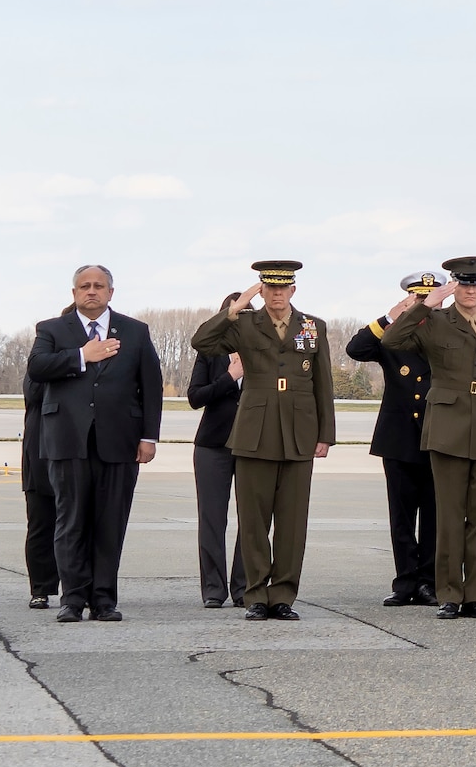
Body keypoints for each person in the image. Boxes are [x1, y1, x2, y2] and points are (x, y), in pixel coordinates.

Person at [192, 263, 336, 621]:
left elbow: (323, 383)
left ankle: (283, 594)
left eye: (282, 288)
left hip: (299, 433)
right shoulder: (244, 325)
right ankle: (255, 595)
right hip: (254, 432)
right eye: (269, 288)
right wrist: (235, 308)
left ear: (293, 290)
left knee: (292, 521)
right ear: (261, 290)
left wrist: (325, 434)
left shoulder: (312, 327)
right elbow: (202, 341)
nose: (276, 294)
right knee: (254, 519)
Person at [383, 257, 476, 619]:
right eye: (463, 285)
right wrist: (424, 304)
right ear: (454, 287)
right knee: (448, 516)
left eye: (475, 285)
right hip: (447, 426)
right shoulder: (433, 321)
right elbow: (391, 338)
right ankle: (449, 593)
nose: (469, 291)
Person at [27, 265, 162, 623]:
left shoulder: (135, 331)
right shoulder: (52, 330)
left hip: (119, 442)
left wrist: (149, 437)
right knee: (70, 521)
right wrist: (84, 356)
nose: (91, 291)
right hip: (67, 440)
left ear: (110, 293)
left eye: (98, 286)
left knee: (109, 523)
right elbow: (38, 368)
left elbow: (151, 386)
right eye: (84, 286)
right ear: (74, 294)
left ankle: (104, 599)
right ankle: (72, 599)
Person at [345, 272, 445, 608]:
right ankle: (405, 582)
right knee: (401, 516)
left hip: (438, 436)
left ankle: (429, 582)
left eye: (429, 297)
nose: (424, 304)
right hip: (399, 437)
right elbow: (356, 349)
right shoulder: (392, 335)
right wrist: (390, 317)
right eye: (417, 298)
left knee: (434, 516)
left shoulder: (448, 332)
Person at [18, 309, 74, 609]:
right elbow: (35, 391)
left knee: (77, 523)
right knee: (41, 521)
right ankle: (41, 587)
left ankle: (76, 587)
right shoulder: (42, 362)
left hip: (74, 449)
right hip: (41, 451)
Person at [187, 342, 248, 607]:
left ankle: (245, 587)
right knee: (211, 519)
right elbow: (195, 397)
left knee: (252, 519)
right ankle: (213, 588)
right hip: (212, 444)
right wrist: (230, 377)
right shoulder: (210, 354)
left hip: (254, 445)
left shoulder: (263, 350)